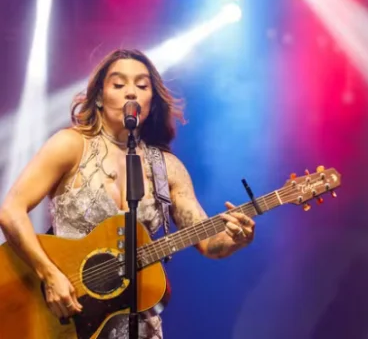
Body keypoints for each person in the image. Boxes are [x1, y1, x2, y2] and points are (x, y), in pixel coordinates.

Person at [0, 49, 256, 338]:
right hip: (66, 312)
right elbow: (11, 211)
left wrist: (235, 238)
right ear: (99, 96)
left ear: (151, 100)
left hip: (138, 321)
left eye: (142, 86)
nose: (131, 92)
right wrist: (49, 274)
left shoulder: (167, 168)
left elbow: (208, 241)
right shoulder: (69, 145)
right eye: (119, 85)